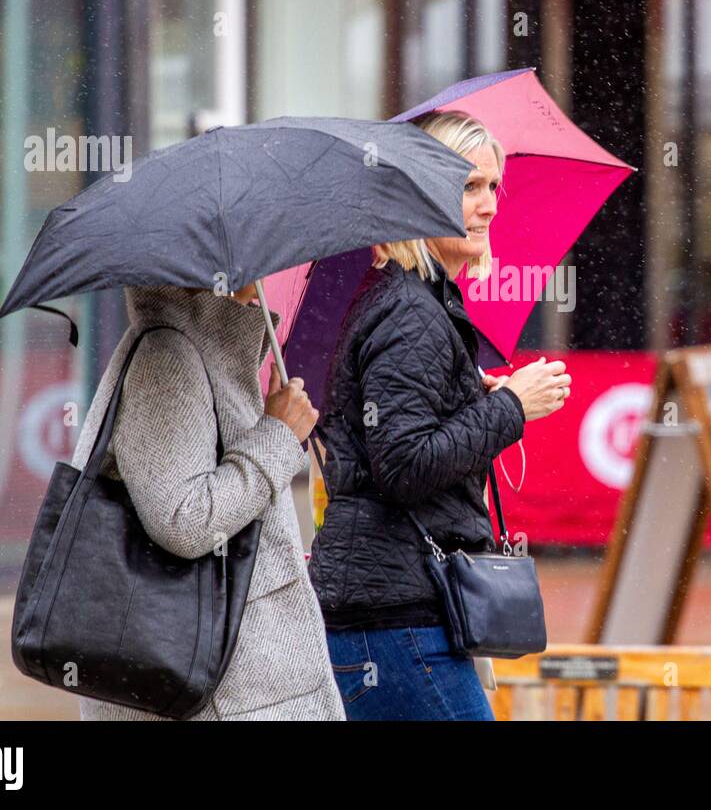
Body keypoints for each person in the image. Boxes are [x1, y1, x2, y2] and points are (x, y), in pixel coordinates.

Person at [308, 111, 571, 720]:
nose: (490, 207)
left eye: (494, 187)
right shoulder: (410, 313)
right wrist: (510, 407)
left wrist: (475, 398)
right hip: (396, 618)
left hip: (391, 611)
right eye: (470, 187)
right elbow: (404, 465)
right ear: (422, 195)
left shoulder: (418, 305)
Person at [70, 281, 345, 720]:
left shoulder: (202, 351)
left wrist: (271, 420)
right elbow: (182, 518)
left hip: (236, 685)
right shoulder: (167, 355)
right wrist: (277, 435)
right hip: (222, 693)